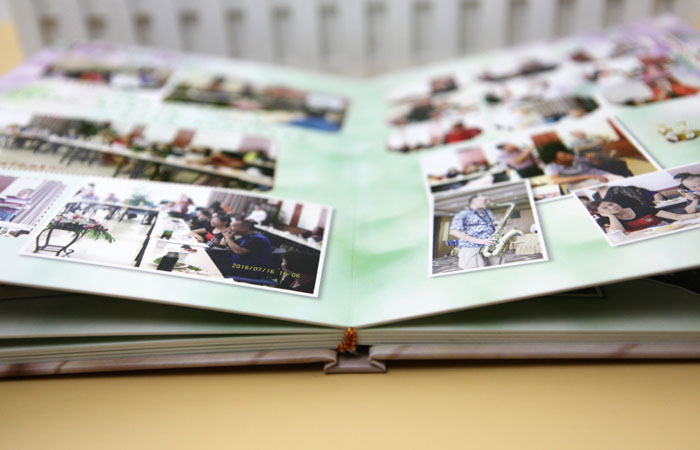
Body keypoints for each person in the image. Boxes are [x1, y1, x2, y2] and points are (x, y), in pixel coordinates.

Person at [449, 194, 504, 270]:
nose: (488, 202)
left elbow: (490, 223)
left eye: (488, 200)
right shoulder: (463, 214)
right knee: (476, 272)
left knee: (495, 269)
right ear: (474, 201)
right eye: (485, 200)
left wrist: (500, 222)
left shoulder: (487, 211)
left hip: (490, 245)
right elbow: (454, 231)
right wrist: (478, 241)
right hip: (472, 247)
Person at [588, 199, 700, 233]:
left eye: (611, 204)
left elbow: (677, 217)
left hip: (667, 231)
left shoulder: (641, 208)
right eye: (605, 208)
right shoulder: (604, 220)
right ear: (599, 213)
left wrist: (696, 215)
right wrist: (611, 216)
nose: (612, 207)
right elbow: (618, 233)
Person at [538, 143, 617, 190]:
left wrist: (593, 158)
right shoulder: (551, 167)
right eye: (564, 156)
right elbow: (553, 181)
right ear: (555, 161)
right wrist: (589, 176)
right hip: (581, 184)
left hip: (603, 175)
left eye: (567, 153)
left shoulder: (577, 156)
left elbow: (598, 164)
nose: (569, 155)